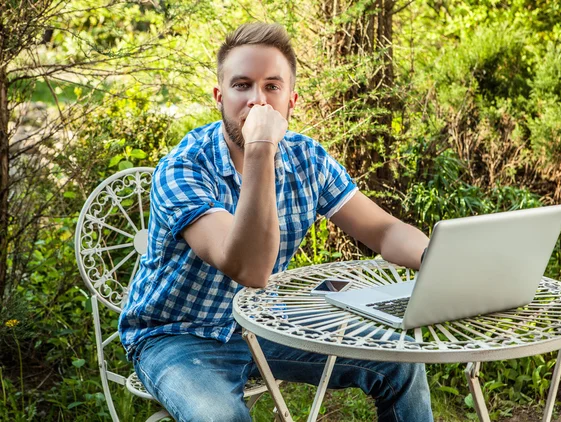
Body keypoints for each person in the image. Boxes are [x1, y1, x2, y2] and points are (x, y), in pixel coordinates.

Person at [118, 22, 432, 422]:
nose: (257, 101)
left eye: (271, 87)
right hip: (177, 336)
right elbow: (248, 267)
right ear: (220, 96)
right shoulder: (183, 168)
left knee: (399, 361)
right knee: (221, 418)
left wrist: (436, 258)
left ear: (291, 100)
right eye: (242, 85)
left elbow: (383, 231)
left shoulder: (307, 159)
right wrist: (261, 148)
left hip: (264, 321)